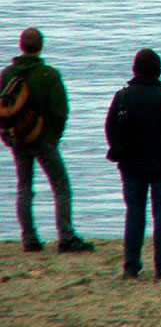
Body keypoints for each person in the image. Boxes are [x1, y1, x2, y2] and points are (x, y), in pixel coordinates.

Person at [0, 28, 94, 253]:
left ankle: (29, 239)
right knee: (61, 185)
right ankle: (66, 236)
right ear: (40, 46)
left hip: (19, 140)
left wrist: (8, 137)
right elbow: (61, 111)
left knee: (24, 187)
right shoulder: (49, 74)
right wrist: (53, 138)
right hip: (44, 140)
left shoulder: (7, 74)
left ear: (21, 46)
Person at [105, 48, 161, 279]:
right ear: (158, 71)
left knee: (134, 212)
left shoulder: (122, 96)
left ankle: (131, 265)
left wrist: (119, 151)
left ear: (135, 70)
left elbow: (111, 128)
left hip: (131, 164)